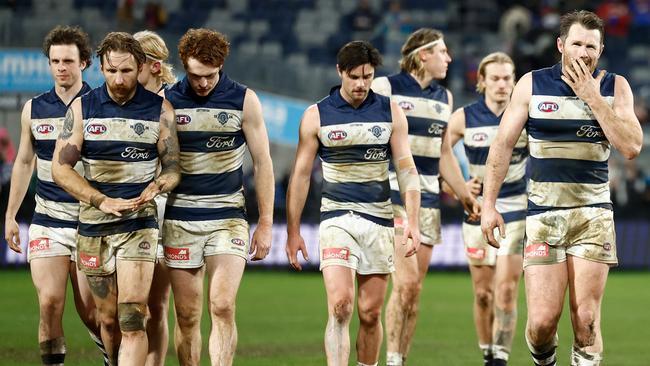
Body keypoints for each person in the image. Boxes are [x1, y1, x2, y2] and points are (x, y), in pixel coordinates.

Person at [481, 10, 642, 366]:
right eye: (577, 44)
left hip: (593, 215)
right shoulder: (531, 84)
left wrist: (593, 97)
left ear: (600, 50)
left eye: (591, 46)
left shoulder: (616, 87)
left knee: (586, 319)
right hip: (543, 216)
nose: (584, 52)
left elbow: (631, 146)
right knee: (540, 325)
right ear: (561, 45)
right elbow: (503, 145)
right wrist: (488, 204)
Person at [285, 40, 421, 366]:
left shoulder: (390, 111)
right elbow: (301, 176)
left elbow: (406, 169)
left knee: (370, 313)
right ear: (339, 72)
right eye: (354, 77)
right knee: (342, 305)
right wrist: (293, 231)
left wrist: (413, 221)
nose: (361, 84)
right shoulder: (316, 115)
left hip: (379, 219)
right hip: (337, 218)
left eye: (367, 76)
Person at [51, 31, 181, 366]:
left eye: (126, 71)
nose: (119, 79)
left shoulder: (160, 110)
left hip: (140, 224)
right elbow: (61, 170)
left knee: (132, 317)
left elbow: (172, 168)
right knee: (106, 320)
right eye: (111, 71)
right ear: (101, 69)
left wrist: (159, 185)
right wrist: (99, 201)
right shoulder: (82, 109)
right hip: (94, 225)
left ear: (140, 67)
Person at [162, 28, 274, 366]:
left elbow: (263, 161)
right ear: (184, 65)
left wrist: (266, 222)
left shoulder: (243, 99)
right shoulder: (167, 100)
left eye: (210, 75)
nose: (203, 83)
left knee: (222, 305)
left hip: (227, 218)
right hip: (180, 218)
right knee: (187, 316)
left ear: (221, 65)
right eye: (196, 75)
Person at [371, 28, 480, 366]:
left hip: (430, 201)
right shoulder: (384, 88)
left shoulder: (444, 98)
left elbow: (443, 152)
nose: (448, 59)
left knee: (413, 292)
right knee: (404, 285)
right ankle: (390, 359)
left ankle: (399, 358)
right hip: (391, 198)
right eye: (443, 53)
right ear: (423, 56)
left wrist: (463, 195)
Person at [3, 25, 109, 365]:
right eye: (54, 61)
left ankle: (112, 357)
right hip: (47, 220)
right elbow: (22, 162)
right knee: (49, 303)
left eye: (68, 60)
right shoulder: (34, 109)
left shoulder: (100, 106)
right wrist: (10, 215)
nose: (61, 67)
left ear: (85, 63)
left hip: (90, 223)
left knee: (92, 312)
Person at [446, 52, 526, 366]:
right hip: (478, 213)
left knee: (506, 289)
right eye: (495, 78)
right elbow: (435, 155)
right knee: (483, 295)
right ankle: (487, 353)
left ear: (515, 81)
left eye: (508, 78)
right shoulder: (464, 117)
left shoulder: (524, 115)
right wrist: (457, 187)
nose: (502, 84)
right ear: (481, 82)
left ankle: (500, 360)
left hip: (516, 210)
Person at [133, 29, 177, 366]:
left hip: (168, 213)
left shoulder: (176, 102)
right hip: (125, 212)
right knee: (127, 307)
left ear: (154, 65)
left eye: (136, 63)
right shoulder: (119, 101)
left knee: (157, 305)